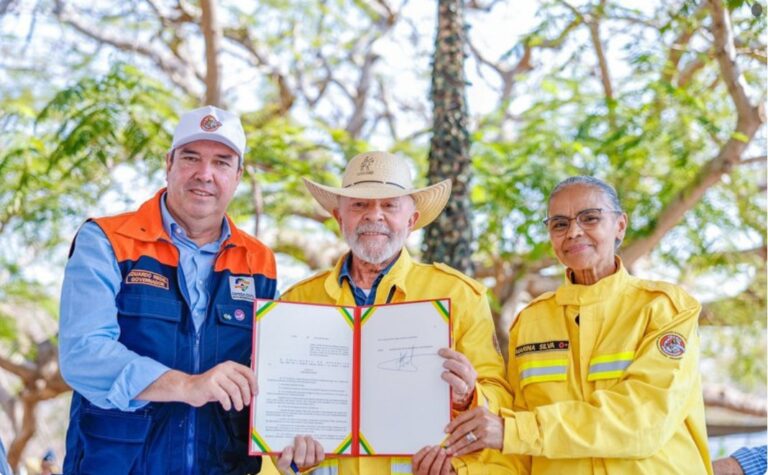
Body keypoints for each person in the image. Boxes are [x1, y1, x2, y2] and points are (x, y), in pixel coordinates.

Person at [274, 151, 525, 474]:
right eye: (360, 205)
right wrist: (290, 460)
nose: (374, 216)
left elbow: (501, 401)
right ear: (340, 218)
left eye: (389, 205)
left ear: (412, 220)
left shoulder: (459, 295)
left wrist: (470, 394)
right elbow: (279, 416)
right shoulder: (296, 301)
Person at [443, 176, 713, 473]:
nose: (573, 232)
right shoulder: (530, 322)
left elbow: (641, 422)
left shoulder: (665, 309)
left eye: (590, 218)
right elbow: (515, 452)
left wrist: (515, 432)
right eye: (559, 224)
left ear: (620, 225)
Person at [59, 105, 276, 474]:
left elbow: (268, 371)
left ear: (238, 176)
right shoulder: (107, 240)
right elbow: (83, 353)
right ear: (169, 163)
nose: (205, 175)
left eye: (222, 162)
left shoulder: (258, 260)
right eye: (191, 158)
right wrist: (187, 385)